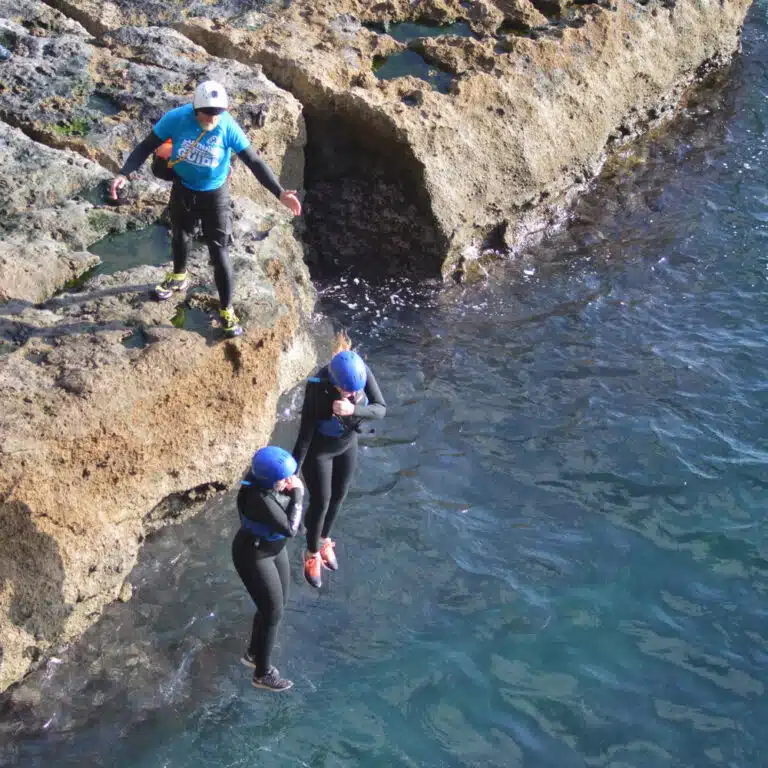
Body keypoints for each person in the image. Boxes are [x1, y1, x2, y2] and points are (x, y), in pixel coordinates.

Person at [109, 80, 302, 337]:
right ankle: (179, 276)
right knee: (180, 234)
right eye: (207, 112)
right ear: (195, 107)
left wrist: (279, 192)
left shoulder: (227, 126)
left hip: (215, 195)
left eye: (217, 113)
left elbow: (254, 161)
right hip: (183, 187)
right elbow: (146, 146)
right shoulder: (176, 119)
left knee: (218, 250)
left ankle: (226, 309)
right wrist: (124, 173)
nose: (212, 118)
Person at [292, 337, 386, 588]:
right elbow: (304, 436)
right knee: (321, 502)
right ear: (334, 383)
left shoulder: (360, 371)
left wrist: (353, 410)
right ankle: (311, 553)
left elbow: (380, 408)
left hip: (347, 443)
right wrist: (292, 472)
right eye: (347, 391)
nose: (352, 394)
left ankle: (323, 540)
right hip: (320, 451)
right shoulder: (318, 386)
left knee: (339, 496)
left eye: (355, 390)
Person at [232, 446, 304, 691]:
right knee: (272, 612)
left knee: (277, 605)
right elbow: (291, 529)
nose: (289, 481)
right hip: (254, 555)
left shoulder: (265, 483)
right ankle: (262, 674)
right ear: (269, 480)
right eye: (283, 479)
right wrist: (298, 495)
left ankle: (253, 653)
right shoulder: (258, 499)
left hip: (273, 549)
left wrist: (287, 484)